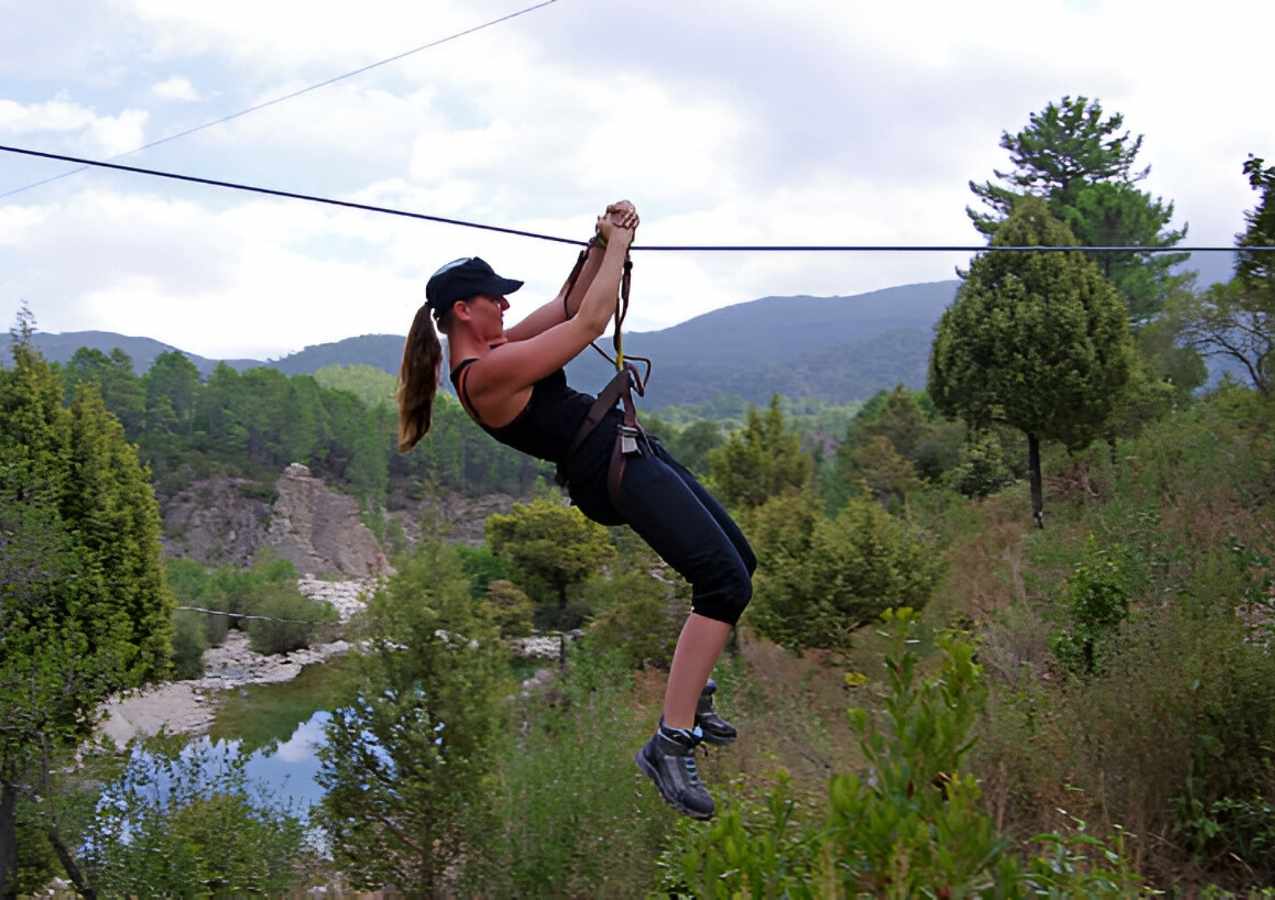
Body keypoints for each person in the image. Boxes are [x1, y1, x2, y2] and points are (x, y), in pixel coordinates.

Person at [395, 201, 756, 820]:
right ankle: (670, 741)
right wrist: (617, 245)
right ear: (463, 309)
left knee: (740, 563)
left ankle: (691, 695)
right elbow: (590, 322)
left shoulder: (503, 346)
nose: (506, 306)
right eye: (495, 298)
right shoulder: (484, 373)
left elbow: (567, 307)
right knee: (720, 585)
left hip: (626, 446)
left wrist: (600, 242)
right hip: (612, 469)